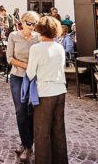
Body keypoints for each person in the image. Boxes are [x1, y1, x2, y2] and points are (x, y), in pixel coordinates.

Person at [26, 16, 68, 164]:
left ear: (40, 31)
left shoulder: (36, 48)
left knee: (42, 132)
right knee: (58, 131)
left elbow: (30, 73)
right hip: (60, 90)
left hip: (44, 92)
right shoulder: (60, 47)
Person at [7, 11, 40, 162]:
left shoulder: (38, 38)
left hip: (33, 78)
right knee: (20, 110)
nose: (32, 27)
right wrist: (27, 66)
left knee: (31, 110)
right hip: (17, 77)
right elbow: (9, 58)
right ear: (22, 21)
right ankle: (26, 144)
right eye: (29, 23)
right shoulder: (13, 36)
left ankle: (27, 144)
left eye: (35, 24)